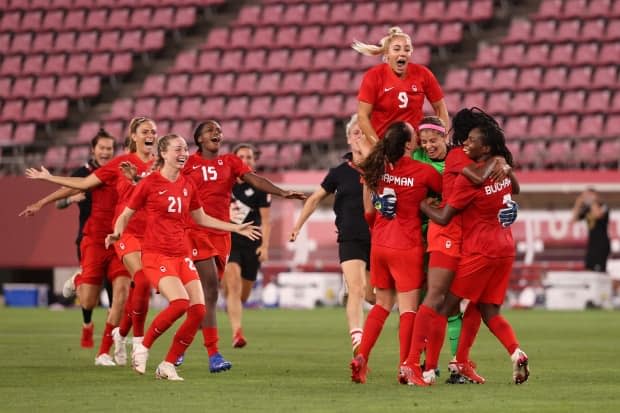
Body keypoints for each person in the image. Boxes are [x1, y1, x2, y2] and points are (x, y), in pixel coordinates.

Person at [105, 134, 261, 380]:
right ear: (164, 154)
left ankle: (167, 365)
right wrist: (116, 233)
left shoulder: (188, 184)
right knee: (179, 303)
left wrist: (234, 227)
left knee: (198, 309)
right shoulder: (150, 183)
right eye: (178, 149)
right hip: (157, 255)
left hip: (181, 254)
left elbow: (200, 218)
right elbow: (126, 213)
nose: (183, 153)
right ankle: (143, 346)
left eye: (185, 149)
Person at [25, 117, 157, 367]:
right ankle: (81, 281)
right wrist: (46, 190)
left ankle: (106, 350)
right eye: (145, 131)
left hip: (128, 238)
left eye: (153, 131)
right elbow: (78, 186)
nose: (106, 152)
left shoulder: (159, 164)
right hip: (98, 239)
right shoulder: (116, 166)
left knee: (123, 293)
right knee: (88, 300)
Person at [417, 108, 529, 385]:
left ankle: (429, 368)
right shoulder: (501, 170)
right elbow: (515, 189)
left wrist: (420, 203)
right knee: (485, 309)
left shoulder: (469, 177)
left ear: (483, 146)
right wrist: (504, 164)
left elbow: (445, 216)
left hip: (480, 249)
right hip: (506, 247)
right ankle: (514, 353)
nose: (464, 144)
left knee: (445, 308)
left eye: (469, 141)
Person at [182, 120, 305, 372]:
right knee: (211, 291)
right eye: (210, 130)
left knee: (205, 298)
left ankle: (179, 348)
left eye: (218, 129)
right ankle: (214, 355)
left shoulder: (229, 162)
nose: (217, 132)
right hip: (195, 232)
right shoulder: (188, 164)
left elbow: (256, 180)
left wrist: (282, 193)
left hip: (223, 235)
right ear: (199, 139)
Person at [349, 121, 442, 385]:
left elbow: (368, 212)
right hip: (407, 246)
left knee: (381, 305)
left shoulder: (378, 168)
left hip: (379, 243)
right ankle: (406, 366)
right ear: (409, 143)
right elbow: (451, 195)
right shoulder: (423, 172)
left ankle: (362, 357)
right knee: (408, 310)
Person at [20, 129, 121, 358]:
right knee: (89, 298)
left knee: (116, 291)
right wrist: (68, 199)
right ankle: (87, 323)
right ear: (93, 149)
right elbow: (61, 201)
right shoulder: (84, 173)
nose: (106, 152)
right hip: (88, 237)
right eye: (102, 148)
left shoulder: (116, 171)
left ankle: (111, 345)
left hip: (113, 237)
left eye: (109, 148)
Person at [290, 114, 375, 357]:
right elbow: (315, 198)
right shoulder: (339, 172)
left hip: (378, 238)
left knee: (373, 295)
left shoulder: (381, 169)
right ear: (348, 139)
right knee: (356, 289)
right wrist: (297, 225)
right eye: (355, 133)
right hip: (349, 236)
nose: (360, 137)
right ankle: (358, 341)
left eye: (364, 132)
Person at [353, 26, 449, 157]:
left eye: (407, 49)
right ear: (387, 54)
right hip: (383, 144)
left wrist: (442, 136)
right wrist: (378, 146)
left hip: (414, 147)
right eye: (397, 49)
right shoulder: (374, 76)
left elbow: (440, 108)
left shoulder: (423, 74)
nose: (402, 53)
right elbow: (362, 116)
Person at [222, 143, 272, 348]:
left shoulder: (260, 186)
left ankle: (232, 306)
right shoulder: (224, 184)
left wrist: (265, 246)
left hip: (252, 242)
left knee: (242, 294)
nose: (246, 160)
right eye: (241, 156)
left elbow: (266, 220)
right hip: (229, 240)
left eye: (249, 157)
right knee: (233, 284)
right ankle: (237, 333)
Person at [572, 188, 611, 272]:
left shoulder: (603, 206)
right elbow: (574, 219)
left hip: (602, 243)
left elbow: (597, 214)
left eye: (589, 195)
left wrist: (592, 202)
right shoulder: (587, 209)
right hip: (591, 244)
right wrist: (578, 203)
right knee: (588, 268)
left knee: (600, 270)